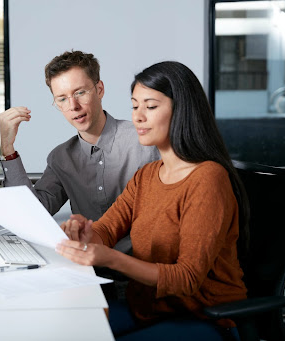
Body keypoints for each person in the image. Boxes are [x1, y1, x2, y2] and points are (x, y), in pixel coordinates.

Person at [56, 61, 250, 341]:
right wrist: (86, 233)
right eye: (135, 106)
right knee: (69, 332)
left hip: (205, 318)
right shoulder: (147, 175)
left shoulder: (208, 179)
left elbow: (186, 279)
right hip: (149, 309)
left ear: (181, 109)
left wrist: (112, 258)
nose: (138, 117)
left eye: (151, 106)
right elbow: (106, 230)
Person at [0, 50, 159, 259]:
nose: (73, 106)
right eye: (62, 99)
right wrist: (7, 149)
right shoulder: (61, 158)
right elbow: (32, 215)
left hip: (142, 272)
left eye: (80, 92)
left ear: (99, 89)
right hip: (88, 270)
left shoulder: (145, 140)